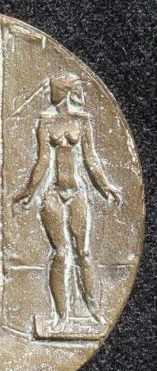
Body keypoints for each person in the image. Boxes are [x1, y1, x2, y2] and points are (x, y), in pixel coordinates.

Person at [15, 72, 121, 326]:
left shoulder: (81, 121)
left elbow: (90, 158)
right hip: (54, 193)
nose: (49, 92)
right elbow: (42, 161)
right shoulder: (46, 121)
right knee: (61, 253)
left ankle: (94, 310)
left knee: (83, 252)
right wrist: (28, 191)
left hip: (76, 193)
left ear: (63, 91)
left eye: (53, 88)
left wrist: (104, 185)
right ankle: (61, 316)